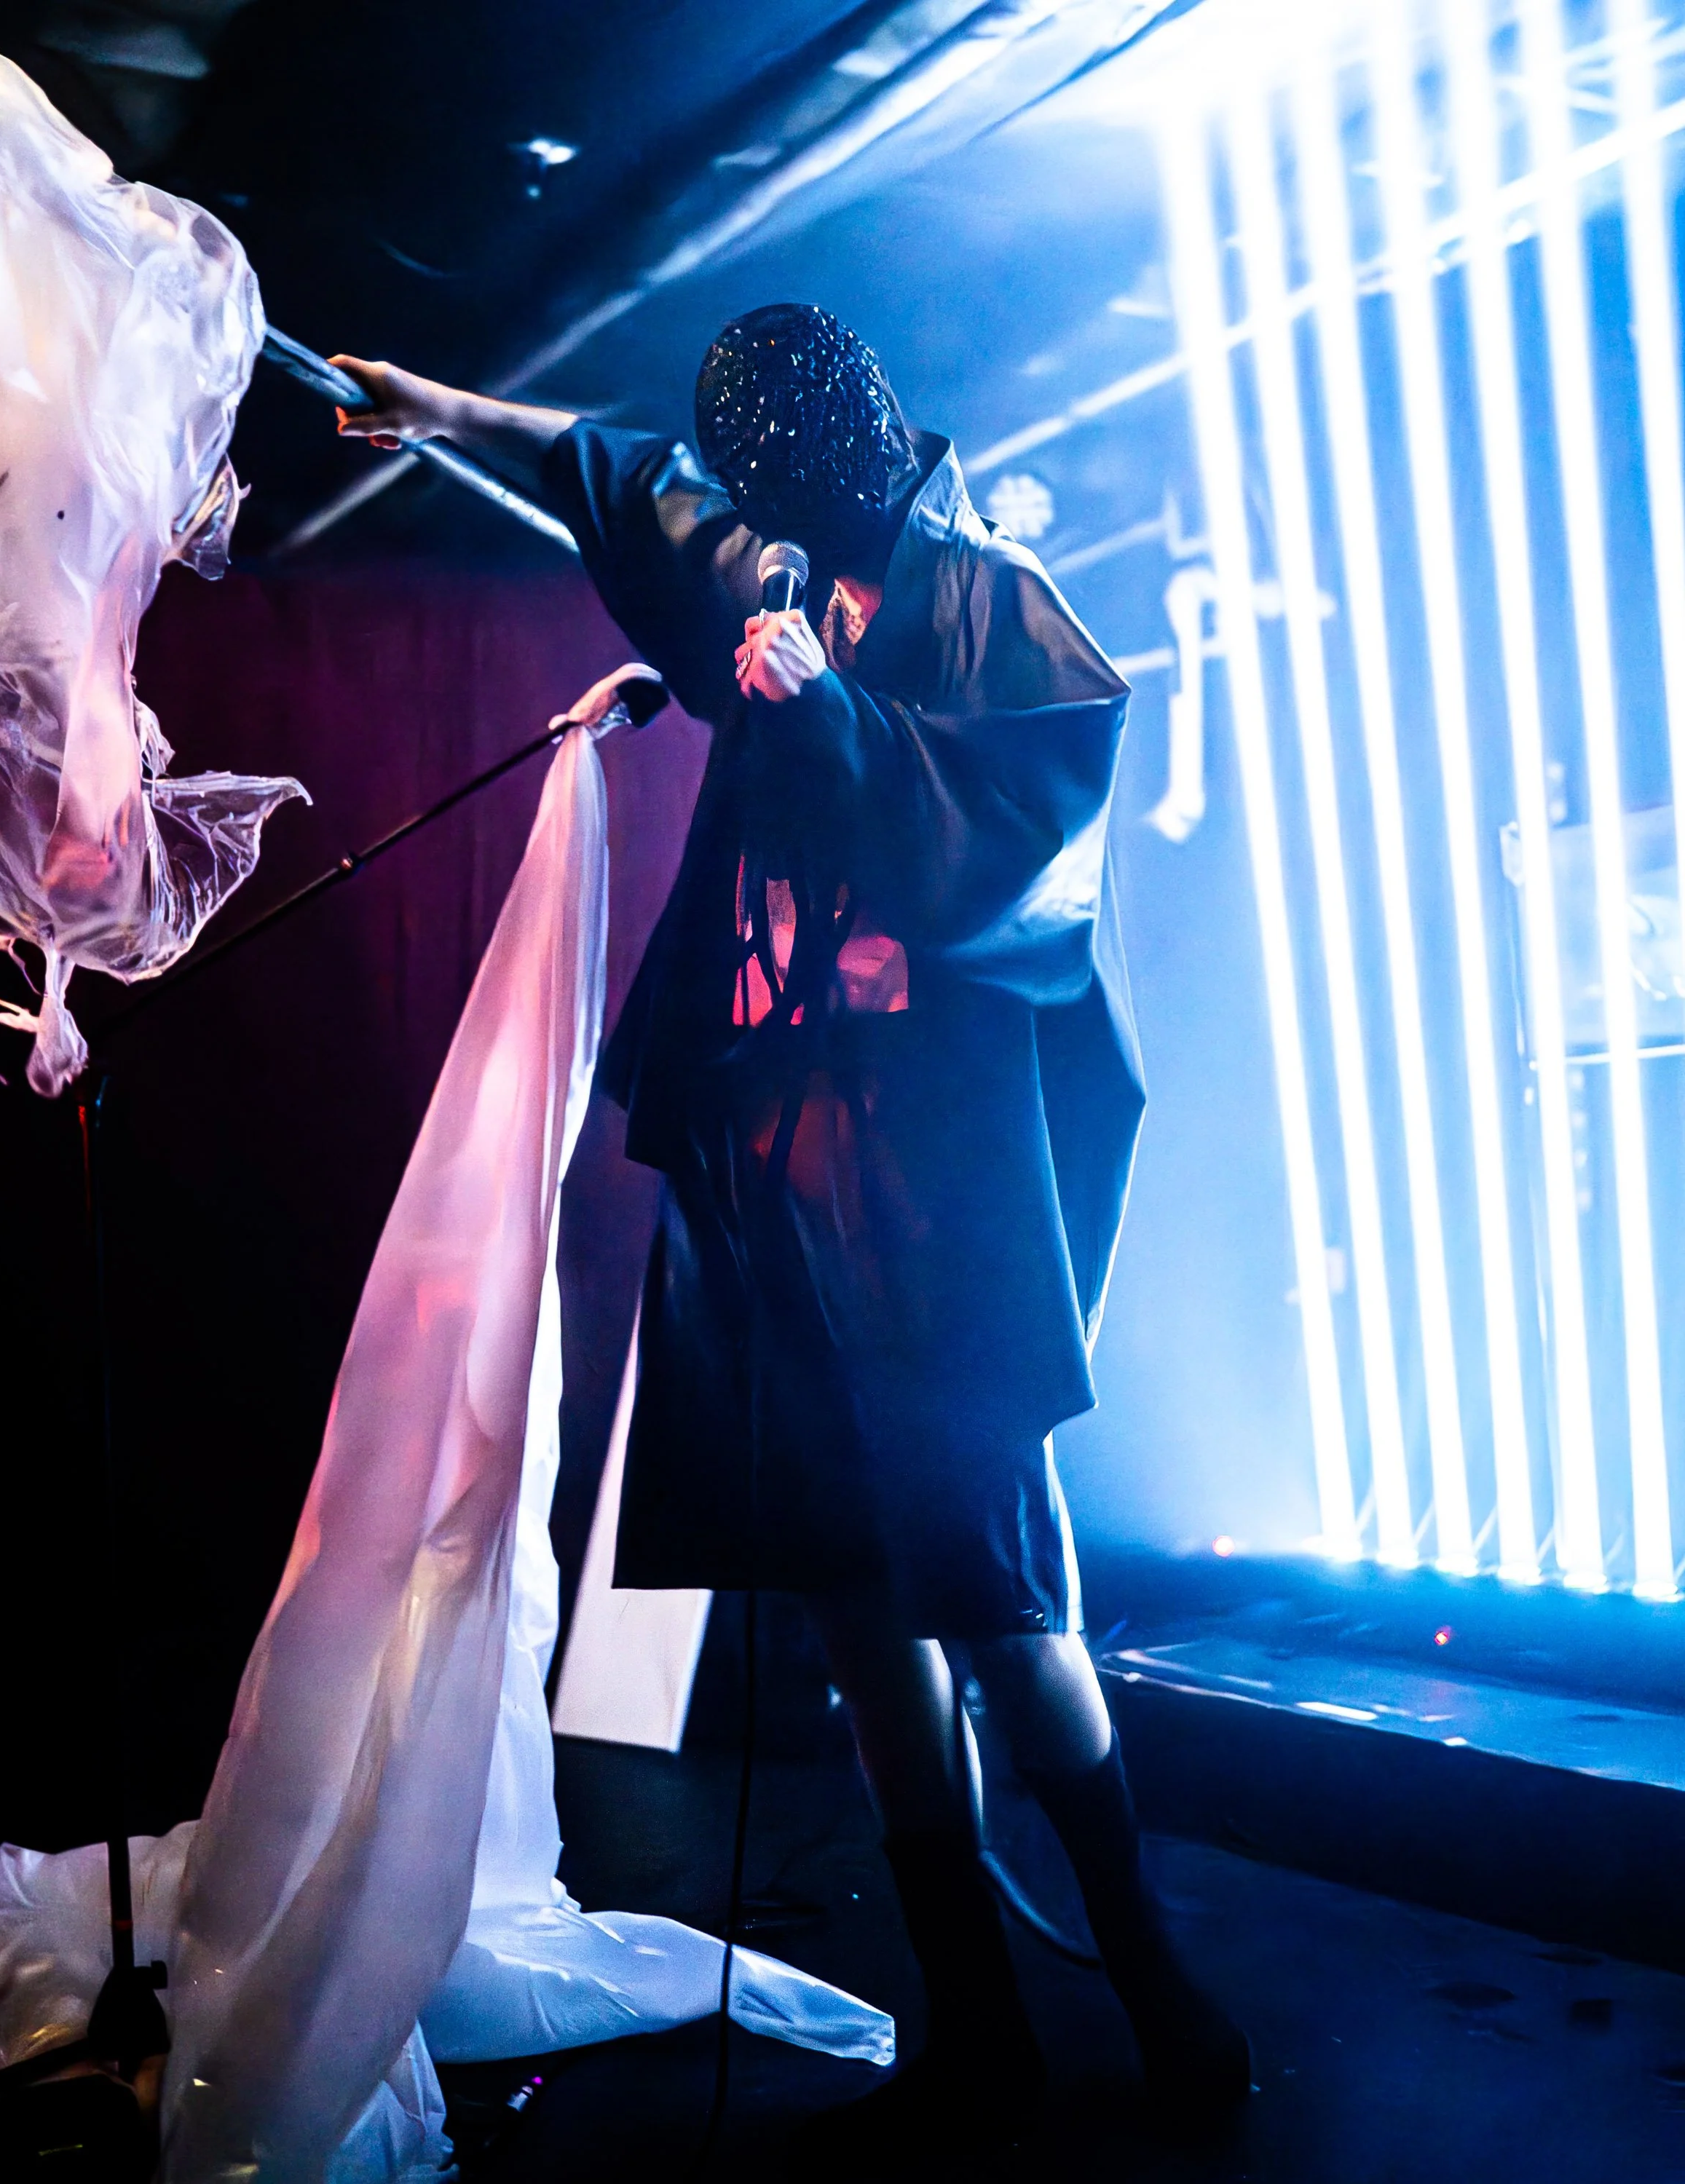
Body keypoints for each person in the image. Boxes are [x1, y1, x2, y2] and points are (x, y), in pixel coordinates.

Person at [331, 304, 1249, 2155]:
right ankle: (974, 2010)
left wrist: (830, 715)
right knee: (855, 1609)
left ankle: (1145, 1966)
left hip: (933, 1200)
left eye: (784, 499)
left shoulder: (991, 599)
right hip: (774, 1176)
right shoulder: (763, 547)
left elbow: (1038, 841)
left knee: (994, 1599)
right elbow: (608, 468)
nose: (759, 530)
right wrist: (434, 409)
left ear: (854, 448)